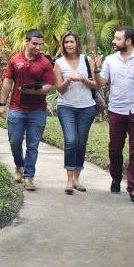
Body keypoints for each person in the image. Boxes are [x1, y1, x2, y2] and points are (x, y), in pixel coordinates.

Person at [94, 26, 134, 204]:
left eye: (117, 38)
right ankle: (116, 178)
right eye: (114, 38)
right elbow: (101, 83)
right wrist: (96, 70)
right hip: (116, 110)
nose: (113, 41)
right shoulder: (110, 60)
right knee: (114, 149)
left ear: (128, 41)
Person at [0, 29, 56, 191]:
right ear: (27, 42)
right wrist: (3, 104)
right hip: (17, 107)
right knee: (14, 141)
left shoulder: (45, 63)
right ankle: (19, 165)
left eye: (40, 44)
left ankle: (29, 176)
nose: (38, 47)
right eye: (34, 44)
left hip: (37, 110)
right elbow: (8, 82)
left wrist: (32, 91)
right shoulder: (15, 60)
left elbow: (49, 87)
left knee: (33, 145)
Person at [53, 30, 98, 194]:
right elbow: (59, 88)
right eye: (66, 42)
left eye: (71, 42)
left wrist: (84, 79)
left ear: (77, 43)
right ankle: (69, 179)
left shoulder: (87, 60)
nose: (69, 45)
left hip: (87, 107)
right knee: (71, 140)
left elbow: (97, 84)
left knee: (81, 142)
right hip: (66, 106)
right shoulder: (59, 63)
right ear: (63, 45)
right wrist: (68, 80)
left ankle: (77, 178)